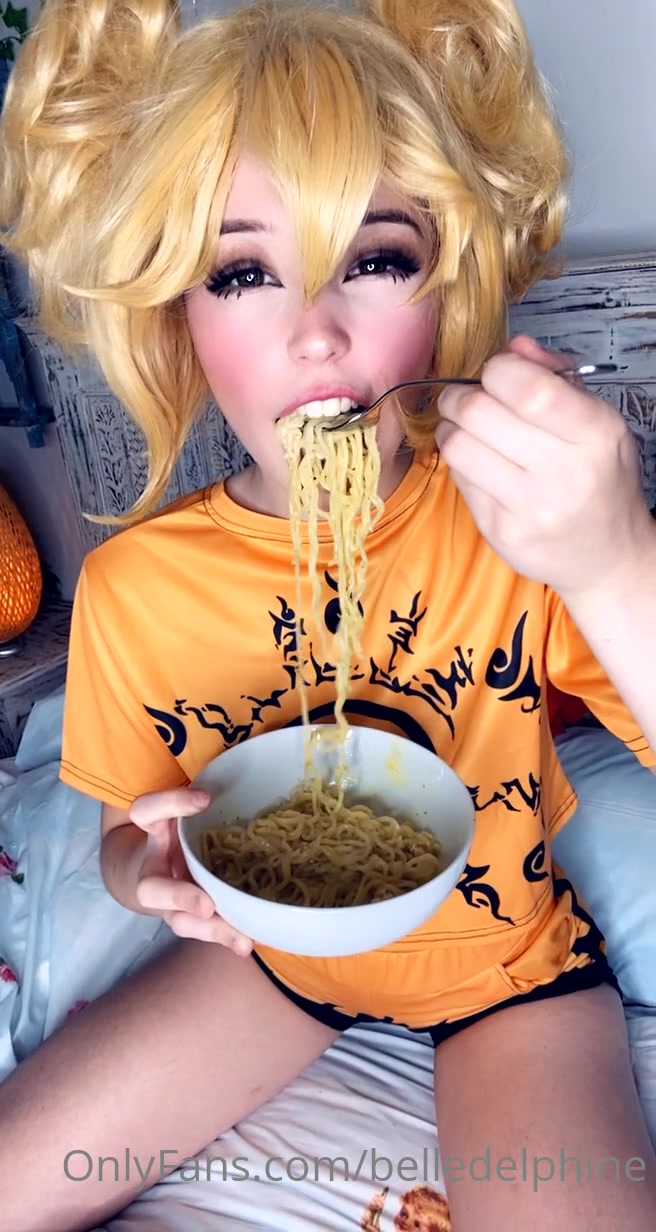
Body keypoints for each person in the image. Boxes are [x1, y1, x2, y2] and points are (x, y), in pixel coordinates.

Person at [0, 1, 654, 1229]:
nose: (315, 331)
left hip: (506, 970)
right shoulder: (137, 586)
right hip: (271, 965)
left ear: (443, 283)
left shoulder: (511, 532)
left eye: (375, 258)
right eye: (244, 272)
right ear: (179, 315)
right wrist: (152, 877)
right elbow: (127, 836)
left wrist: (613, 555)